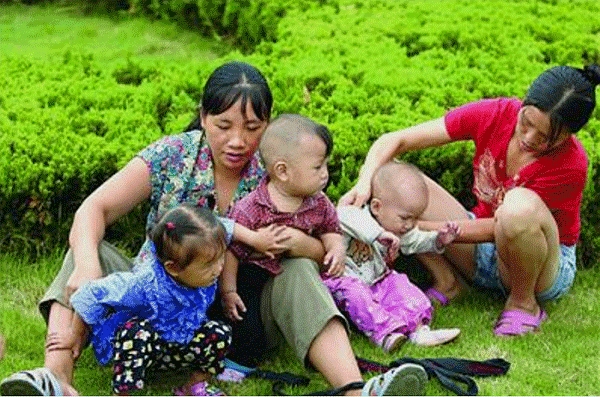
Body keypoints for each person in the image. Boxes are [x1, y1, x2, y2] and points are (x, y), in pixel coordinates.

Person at [0, 62, 427, 396]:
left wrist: (303, 245)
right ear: (204, 116)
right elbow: (94, 208)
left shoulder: (280, 166)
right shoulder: (172, 156)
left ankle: (355, 389)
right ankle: (56, 380)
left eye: (253, 128)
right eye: (224, 125)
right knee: (82, 252)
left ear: (268, 124)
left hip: (242, 314)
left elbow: (329, 249)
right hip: (157, 307)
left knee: (298, 272)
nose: (238, 141)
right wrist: (89, 266)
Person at [340, 64, 600, 337]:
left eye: (546, 137)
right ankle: (448, 282)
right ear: (524, 101)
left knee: (517, 207)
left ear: (570, 135)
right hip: (480, 250)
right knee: (395, 182)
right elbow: (395, 140)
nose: (528, 138)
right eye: (526, 122)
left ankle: (524, 303)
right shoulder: (496, 114)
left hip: (540, 267)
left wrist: (418, 229)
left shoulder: (571, 164)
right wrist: (365, 182)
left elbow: (500, 227)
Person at [219, 113, 428, 395]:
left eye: (325, 165)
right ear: (282, 171)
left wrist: (336, 249)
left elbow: (332, 229)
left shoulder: (317, 202)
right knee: (298, 270)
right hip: (250, 310)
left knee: (301, 267)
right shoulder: (252, 208)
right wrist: (229, 290)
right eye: (318, 166)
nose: (325, 173)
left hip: (293, 297)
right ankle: (357, 391)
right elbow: (230, 250)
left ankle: (356, 389)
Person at [60, 205, 231, 395]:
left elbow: (223, 229)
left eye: (221, 258)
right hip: (140, 349)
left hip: (176, 346)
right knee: (137, 332)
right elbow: (91, 293)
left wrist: (253, 237)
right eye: (209, 264)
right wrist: (76, 333)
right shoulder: (143, 284)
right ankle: (125, 391)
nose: (218, 268)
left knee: (219, 332)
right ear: (173, 268)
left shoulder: (203, 269)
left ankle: (193, 386)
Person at [331, 161, 461, 352]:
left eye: (415, 218)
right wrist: (377, 234)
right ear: (376, 207)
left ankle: (419, 330)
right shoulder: (355, 216)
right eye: (405, 218)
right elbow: (340, 216)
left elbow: (415, 240)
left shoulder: (398, 229)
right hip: (346, 283)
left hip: (378, 282)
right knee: (357, 295)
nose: (409, 225)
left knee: (401, 285)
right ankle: (385, 335)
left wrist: (438, 240)